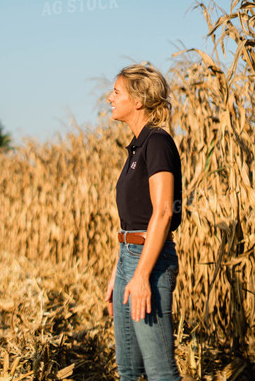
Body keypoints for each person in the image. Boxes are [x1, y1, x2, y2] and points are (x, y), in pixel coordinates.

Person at [104, 64, 182, 381]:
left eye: (116, 92)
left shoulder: (157, 143)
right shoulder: (137, 146)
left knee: (160, 372)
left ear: (137, 100)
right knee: (128, 371)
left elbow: (163, 212)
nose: (109, 97)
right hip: (129, 260)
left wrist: (142, 275)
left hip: (149, 262)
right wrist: (119, 272)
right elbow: (133, 220)